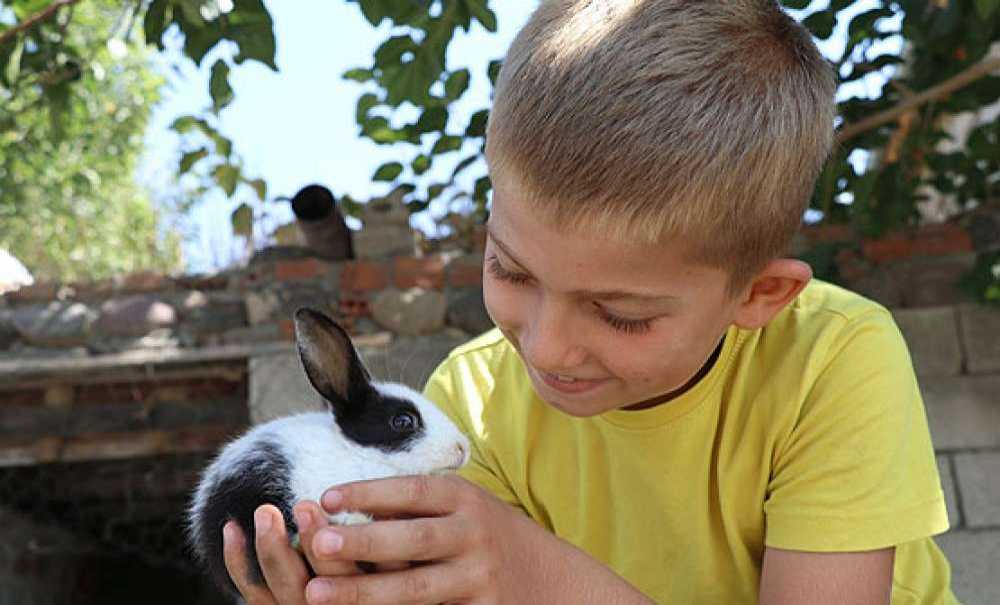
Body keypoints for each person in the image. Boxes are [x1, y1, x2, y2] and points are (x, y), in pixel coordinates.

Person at [221, 1, 957, 603]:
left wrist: (531, 569)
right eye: (509, 269)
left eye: (621, 313)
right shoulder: (468, 405)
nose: (543, 348)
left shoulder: (835, 359)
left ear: (760, 295)